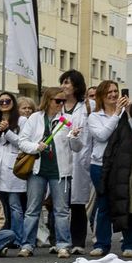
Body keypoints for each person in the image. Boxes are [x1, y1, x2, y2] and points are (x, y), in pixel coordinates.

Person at [83, 80, 132, 257]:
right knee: (104, 205)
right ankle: (102, 244)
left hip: (123, 165)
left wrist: (128, 111)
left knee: (125, 203)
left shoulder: (124, 113)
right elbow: (101, 136)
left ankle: (130, 244)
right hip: (100, 166)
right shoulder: (94, 117)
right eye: (109, 92)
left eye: (115, 91)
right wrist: (115, 114)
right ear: (101, 96)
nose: (114, 95)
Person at [0, 91, 41, 254]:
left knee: (15, 206)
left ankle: (17, 238)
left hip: (13, 169)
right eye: (1, 101)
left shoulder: (22, 120)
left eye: (7, 100)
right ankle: (3, 238)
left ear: (13, 102)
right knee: (0, 207)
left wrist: (8, 131)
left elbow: (22, 143)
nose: (4, 103)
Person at [26, 88, 74, 258]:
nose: (61, 104)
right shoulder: (34, 118)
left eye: (63, 101)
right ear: (48, 100)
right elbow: (22, 141)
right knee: (32, 209)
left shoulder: (67, 119)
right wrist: (35, 147)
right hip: (38, 168)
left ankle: (63, 245)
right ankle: (27, 245)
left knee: (61, 210)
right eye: (58, 101)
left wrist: (74, 137)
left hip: (60, 171)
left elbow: (76, 147)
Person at [54, 70, 91, 252]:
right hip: (59, 157)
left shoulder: (86, 107)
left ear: (76, 85)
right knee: (58, 202)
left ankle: (77, 242)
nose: (64, 86)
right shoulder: (56, 107)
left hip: (79, 158)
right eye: (63, 82)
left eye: (67, 82)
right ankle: (58, 240)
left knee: (77, 203)